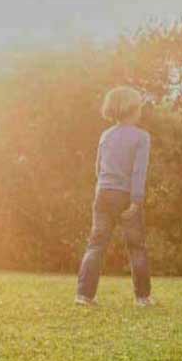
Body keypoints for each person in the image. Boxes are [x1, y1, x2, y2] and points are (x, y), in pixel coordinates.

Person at [76, 86, 154, 307]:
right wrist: (136, 200)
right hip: (125, 196)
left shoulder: (106, 135)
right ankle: (143, 297)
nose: (141, 111)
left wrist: (102, 188)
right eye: (139, 107)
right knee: (136, 246)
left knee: (96, 245)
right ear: (132, 109)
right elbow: (139, 171)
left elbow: (98, 167)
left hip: (103, 193)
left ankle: (84, 295)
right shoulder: (142, 137)